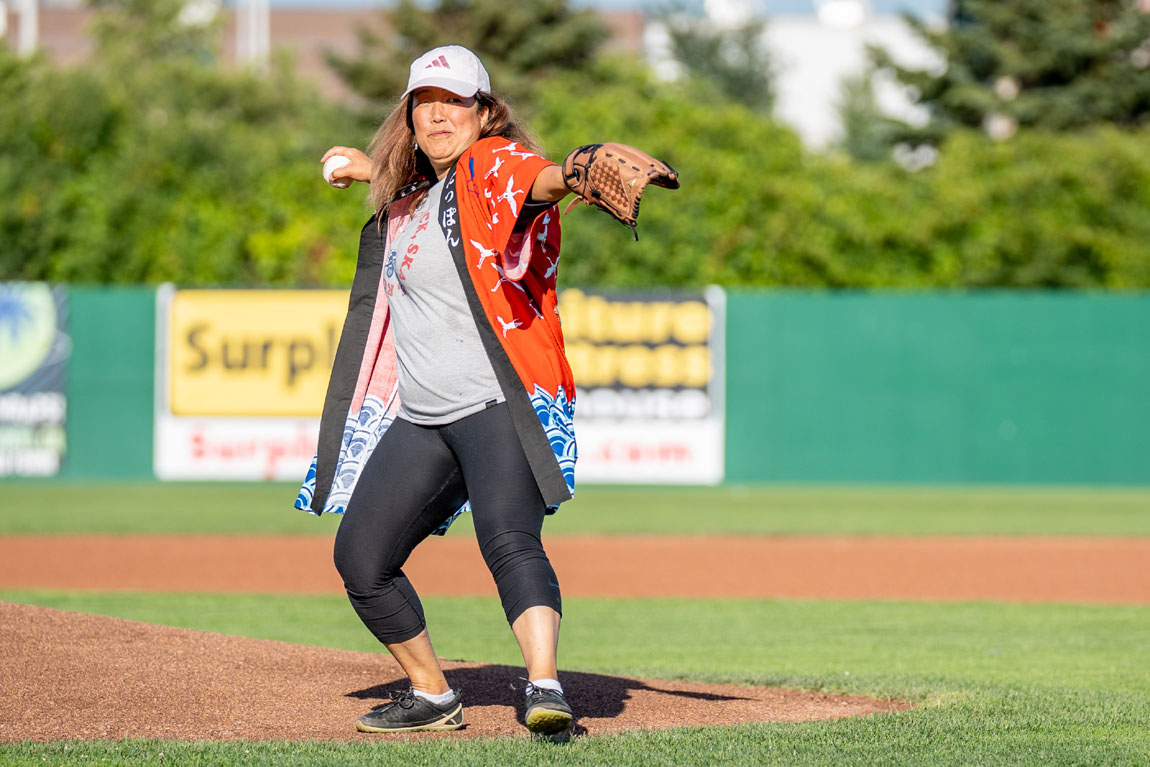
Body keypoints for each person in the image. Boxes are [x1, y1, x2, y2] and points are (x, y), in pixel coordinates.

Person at [294, 44, 665, 738]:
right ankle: (433, 693)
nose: (438, 113)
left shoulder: (494, 164)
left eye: (454, 101)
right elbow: (432, 194)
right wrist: (364, 166)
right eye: (424, 102)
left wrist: (572, 174)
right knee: (361, 559)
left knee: (510, 540)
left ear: (483, 111)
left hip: (500, 402)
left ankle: (545, 686)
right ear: (409, 115)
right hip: (425, 418)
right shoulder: (414, 196)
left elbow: (528, 184)